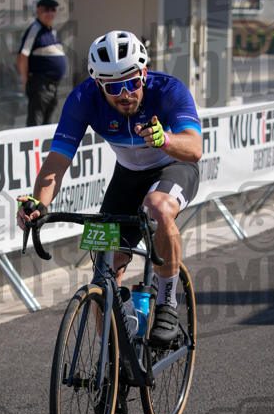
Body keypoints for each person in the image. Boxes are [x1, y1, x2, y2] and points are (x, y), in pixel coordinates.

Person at [17, 30, 202, 347]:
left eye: (132, 83)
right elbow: (57, 161)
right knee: (103, 268)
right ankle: (112, 359)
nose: (125, 94)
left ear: (144, 74)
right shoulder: (83, 98)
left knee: (157, 207)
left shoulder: (169, 89)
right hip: (127, 177)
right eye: (114, 87)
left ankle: (167, 302)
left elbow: (195, 148)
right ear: (99, 85)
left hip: (173, 165)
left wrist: (165, 140)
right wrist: (39, 203)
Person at [17, 0, 66, 126]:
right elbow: (22, 56)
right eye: (46, 9)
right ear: (38, 11)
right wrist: (25, 80)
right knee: (35, 125)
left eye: (53, 10)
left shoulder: (52, 32)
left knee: (47, 125)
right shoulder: (35, 29)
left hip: (52, 87)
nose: (50, 13)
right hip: (40, 85)